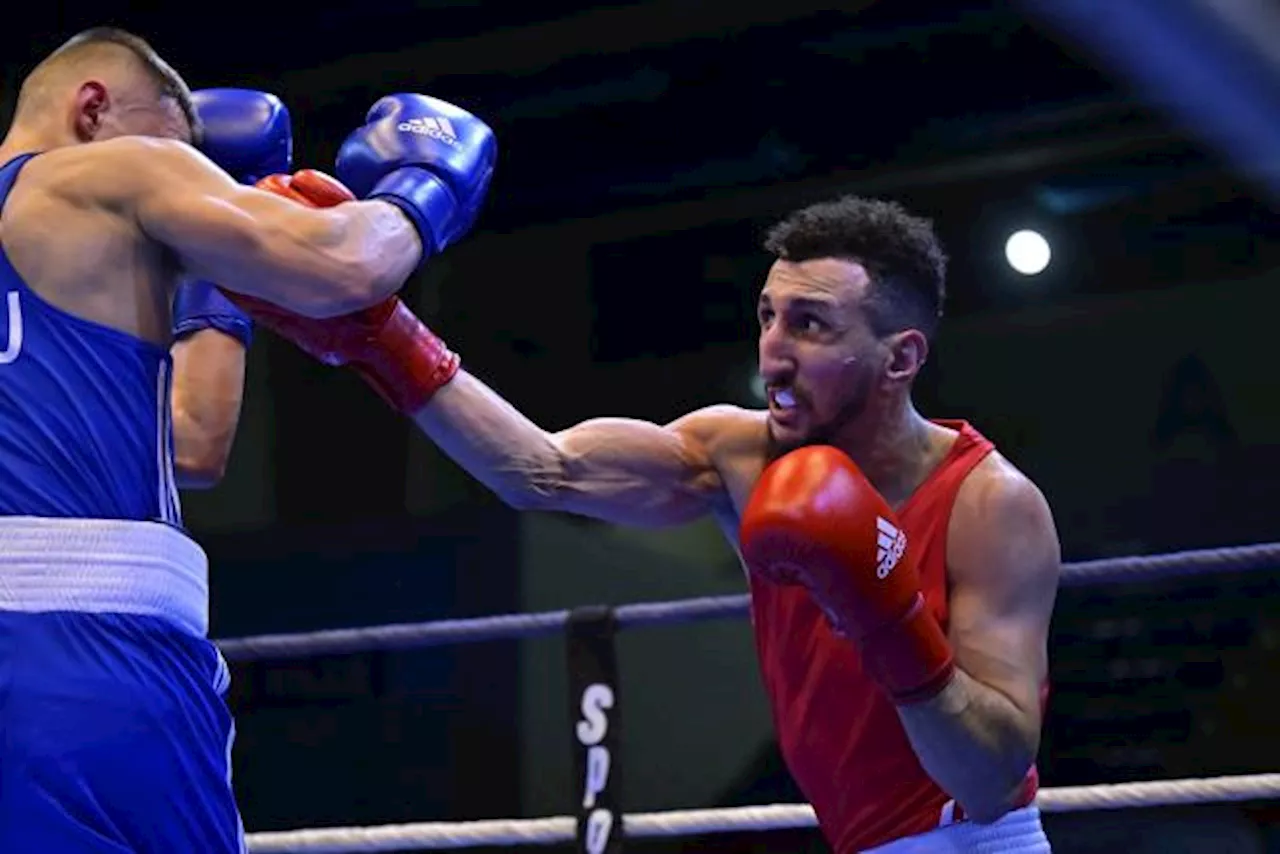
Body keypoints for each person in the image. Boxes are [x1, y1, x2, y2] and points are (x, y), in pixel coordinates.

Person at [234, 195, 1062, 852]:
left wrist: (886, 614)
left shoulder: (993, 506)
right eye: (768, 316)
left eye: (810, 325)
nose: (774, 350)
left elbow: (991, 778)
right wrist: (386, 336)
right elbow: (543, 471)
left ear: (902, 357)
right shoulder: (737, 455)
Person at [0, 25, 495, 851]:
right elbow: (346, 267)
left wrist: (206, 280)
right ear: (94, 109)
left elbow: (192, 441)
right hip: (88, 655)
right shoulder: (113, 169)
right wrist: (426, 185)